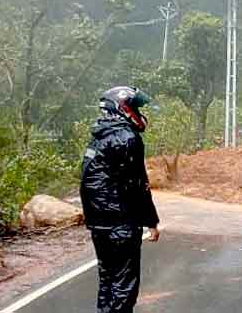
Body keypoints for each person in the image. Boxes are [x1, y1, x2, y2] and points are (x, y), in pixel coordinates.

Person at [80, 86, 161, 313]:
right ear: (123, 107)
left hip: (99, 224)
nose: (138, 113)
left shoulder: (100, 136)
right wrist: (151, 221)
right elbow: (138, 185)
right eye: (135, 107)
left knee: (107, 281)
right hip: (121, 223)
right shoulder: (127, 138)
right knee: (124, 286)